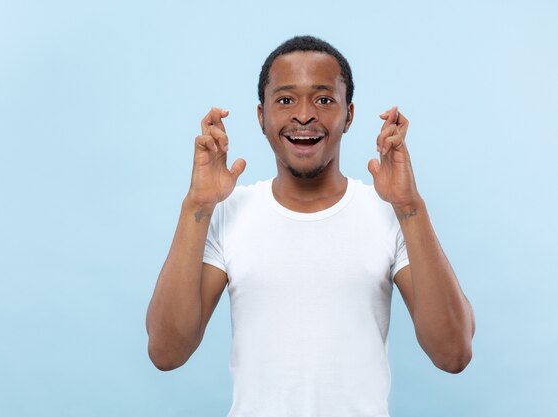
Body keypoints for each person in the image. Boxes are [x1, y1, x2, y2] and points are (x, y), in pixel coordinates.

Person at [146, 35, 475, 417]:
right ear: (261, 117)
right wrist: (197, 206)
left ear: (348, 115)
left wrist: (409, 207)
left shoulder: (389, 212)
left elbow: (453, 353)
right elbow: (166, 352)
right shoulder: (228, 212)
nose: (304, 115)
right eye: (285, 100)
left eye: (323, 99)